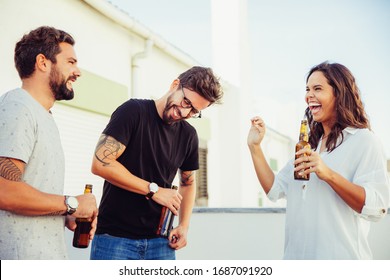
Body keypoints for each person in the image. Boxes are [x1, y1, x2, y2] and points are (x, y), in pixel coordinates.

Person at [247, 61, 389, 259]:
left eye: (317, 88)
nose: (308, 95)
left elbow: (377, 208)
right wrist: (255, 147)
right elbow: (274, 189)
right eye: (307, 89)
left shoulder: (364, 141)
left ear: (339, 93)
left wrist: (328, 174)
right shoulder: (309, 146)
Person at [90, 66, 223, 260]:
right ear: (175, 84)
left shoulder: (189, 135)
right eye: (186, 102)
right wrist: (154, 190)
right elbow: (100, 163)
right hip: (115, 240)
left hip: (161, 243)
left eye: (194, 111)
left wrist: (184, 226)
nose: (185, 112)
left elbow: (188, 183)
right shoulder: (133, 111)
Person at [0, 26, 98, 259]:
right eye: (71, 62)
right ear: (43, 62)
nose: (77, 71)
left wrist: (67, 214)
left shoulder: (41, 114)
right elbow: (4, 191)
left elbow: (31, 191)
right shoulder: (18, 108)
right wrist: (72, 203)